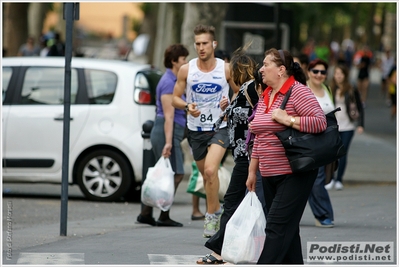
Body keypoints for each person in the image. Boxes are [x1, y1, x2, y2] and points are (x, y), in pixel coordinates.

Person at [246, 48, 327, 264]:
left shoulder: (298, 92)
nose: (261, 69)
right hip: (269, 173)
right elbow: (258, 134)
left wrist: (288, 119)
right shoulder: (266, 94)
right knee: (288, 233)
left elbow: (320, 122)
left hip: (294, 173)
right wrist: (252, 171)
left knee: (276, 227)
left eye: (266, 64)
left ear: (281, 70)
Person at [196, 46, 264, 264]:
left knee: (233, 202)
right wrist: (229, 107)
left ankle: (218, 251)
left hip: (249, 157)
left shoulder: (251, 89)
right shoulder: (240, 91)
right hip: (244, 156)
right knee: (243, 203)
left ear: (237, 71)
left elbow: (260, 115)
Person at [172, 24, 238, 238]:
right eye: (198, 44)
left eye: (205, 43)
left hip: (220, 127)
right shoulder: (187, 70)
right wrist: (186, 106)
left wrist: (230, 105)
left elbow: (240, 92)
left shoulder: (226, 68)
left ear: (214, 44)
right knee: (207, 176)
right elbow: (175, 98)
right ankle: (220, 209)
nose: (201, 48)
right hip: (196, 131)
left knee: (211, 171)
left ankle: (212, 217)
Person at [136, 44, 189, 227]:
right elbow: (169, 115)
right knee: (176, 173)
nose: (186, 62)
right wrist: (168, 142)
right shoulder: (168, 82)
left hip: (169, 131)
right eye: (183, 59)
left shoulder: (175, 79)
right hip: (167, 130)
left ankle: (146, 213)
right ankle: (163, 214)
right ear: (174, 61)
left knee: (164, 173)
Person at [306, 59, 335, 228]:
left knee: (318, 179)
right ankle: (323, 214)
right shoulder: (303, 89)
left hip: (325, 142)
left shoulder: (327, 89)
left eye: (323, 72)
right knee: (315, 179)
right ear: (309, 72)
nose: (319, 75)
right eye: (315, 71)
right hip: (307, 141)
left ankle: (324, 214)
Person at [325, 64, 364, 191]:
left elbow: (359, 106)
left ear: (345, 75)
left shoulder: (351, 89)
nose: (338, 76)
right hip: (333, 127)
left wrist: (361, 124)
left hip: (348, 126)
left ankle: (339, 179)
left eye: (341, 73)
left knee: (343, 152)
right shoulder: (329, 88)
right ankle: (330, 178)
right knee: (331, 153)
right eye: (336, 73)